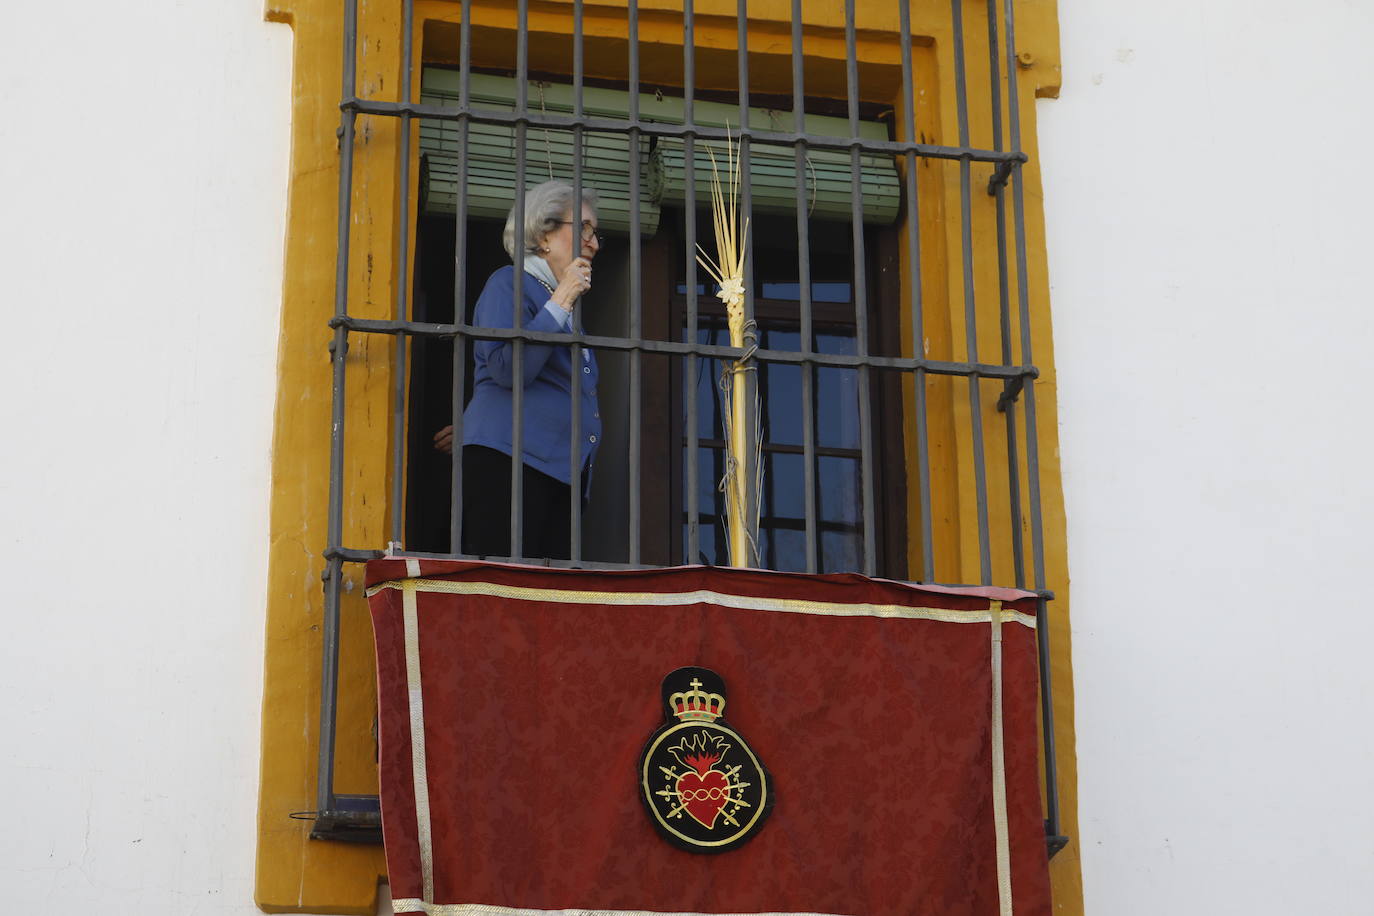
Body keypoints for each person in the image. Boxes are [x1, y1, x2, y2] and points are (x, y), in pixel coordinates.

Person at [433, 180, 602, 559]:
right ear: (543, 234)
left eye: (595, 233)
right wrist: (561, 299)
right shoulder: (508, 283)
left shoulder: (557, 302)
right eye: (584, 229)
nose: (594, 243)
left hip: (556, 473)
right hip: (512, 467)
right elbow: (508, 369)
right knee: (505, 590)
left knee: (544, 598)